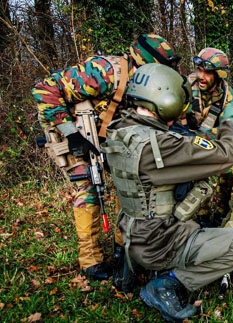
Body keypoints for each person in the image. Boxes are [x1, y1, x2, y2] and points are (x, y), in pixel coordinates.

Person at [102, 63, 233, 321]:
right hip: (160, 245)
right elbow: (228, 155)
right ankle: (168, 283)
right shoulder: (160, 145)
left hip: (132, 236)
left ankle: (135, 271)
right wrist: (230, 119)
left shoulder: (120, 129)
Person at [32, 34, 181, 280]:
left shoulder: (144, 82)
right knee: (89, 191)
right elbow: (44, 89)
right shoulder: (105, 72)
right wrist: (71, 134)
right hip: (74, 136)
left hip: (106, 139)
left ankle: (122, 249)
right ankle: (90, 262)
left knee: (131, 186)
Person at [183, 47, 233, 226]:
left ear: (218, 75)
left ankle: (221, 212)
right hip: (187, 143)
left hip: (214, 142)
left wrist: (208, 134)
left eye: (207, 73)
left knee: (228, 172)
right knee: (196, 177)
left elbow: (229, 130)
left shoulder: (227, 97)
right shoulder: (186, 87)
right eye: (199, 70)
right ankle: (202, 215)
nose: (201, 76)